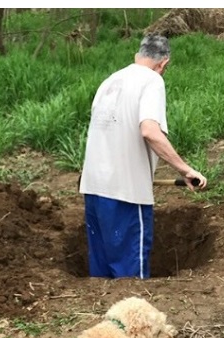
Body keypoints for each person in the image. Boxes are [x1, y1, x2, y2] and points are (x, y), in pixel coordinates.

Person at [79, 33, 207, 279]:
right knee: (130, 281)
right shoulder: (151, 81)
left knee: (101, 277)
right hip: (125, 195)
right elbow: (149, 131)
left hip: (94, 190)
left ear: (137, 55)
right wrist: (185, 170)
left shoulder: (110, 81)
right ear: (164, 63)